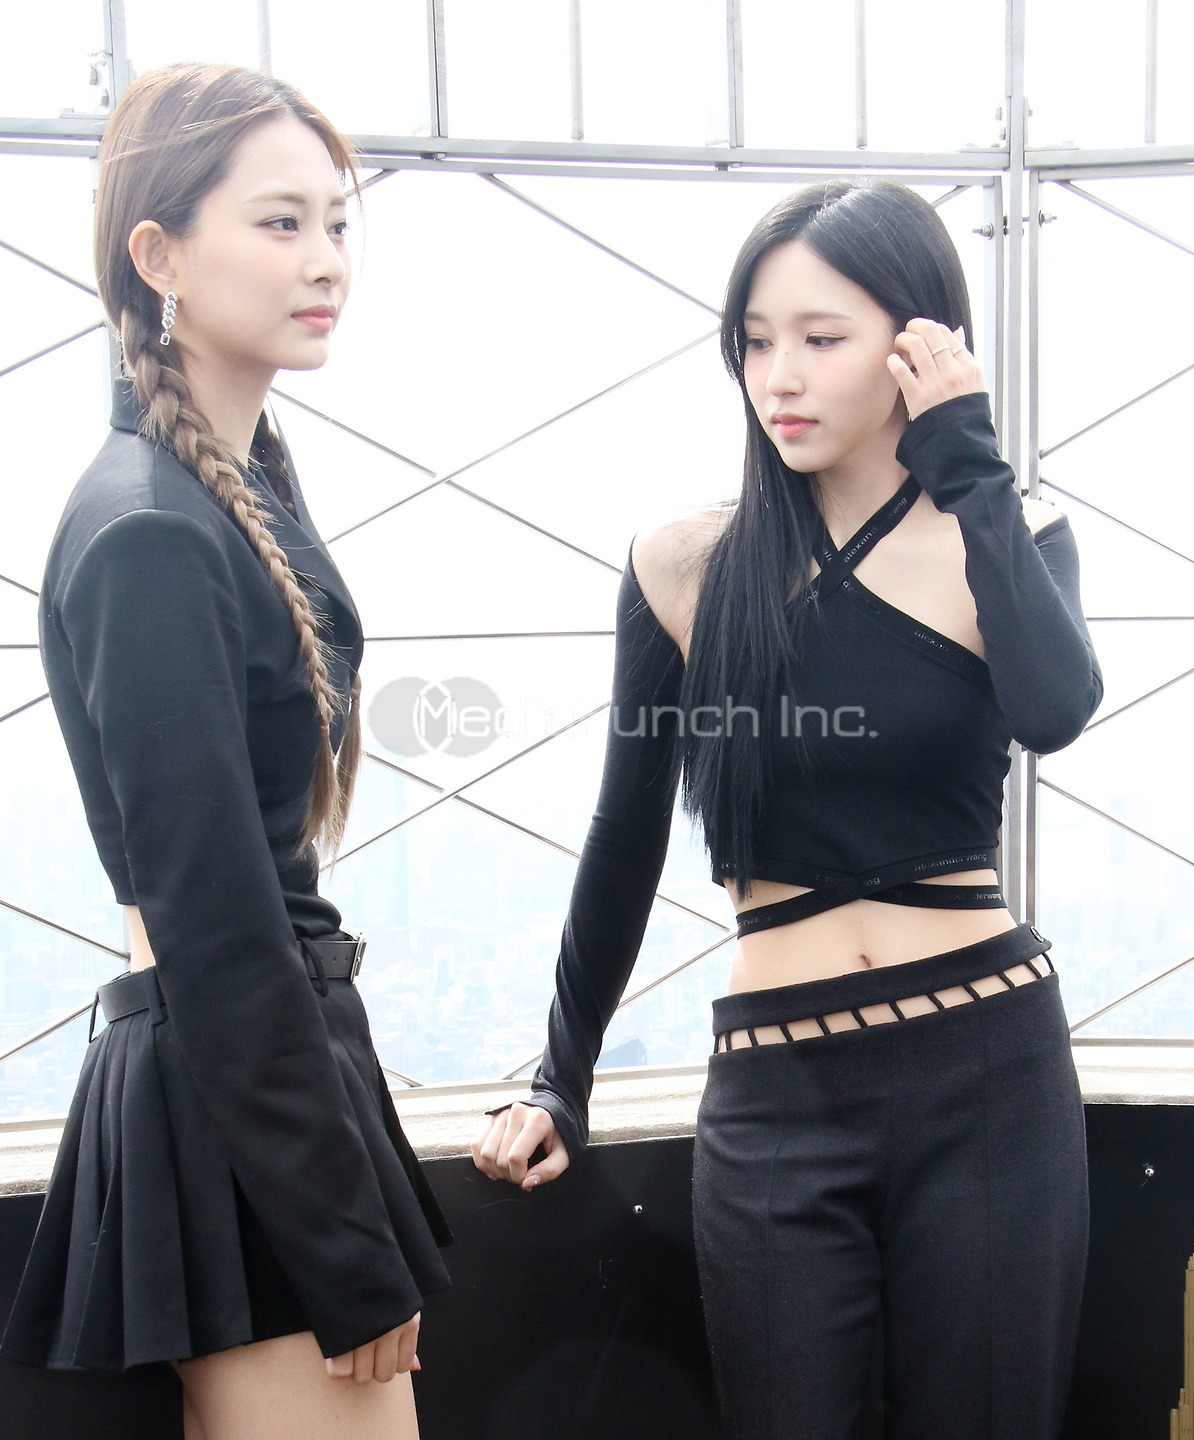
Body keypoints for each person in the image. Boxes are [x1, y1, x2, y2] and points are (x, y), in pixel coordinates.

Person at [471, 180, 1102, 1440]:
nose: (781, 376)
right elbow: (624, 833)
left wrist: (969, 460)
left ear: (919, 345)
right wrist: (560, 1076)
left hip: (989, 1074)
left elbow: (1054, 708)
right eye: (756, 342)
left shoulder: (1007, 534)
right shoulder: (685, 564)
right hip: (778, 1092)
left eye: (822, 337)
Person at [0, 65, 450, 1440]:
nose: (325, 261)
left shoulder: (222, 491)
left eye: (337, 224)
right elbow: (215, 923)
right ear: (160, 256)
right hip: (236, 1100)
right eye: (279, 223)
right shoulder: (151, 529)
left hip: (257, 1085)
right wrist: (343, 1245)